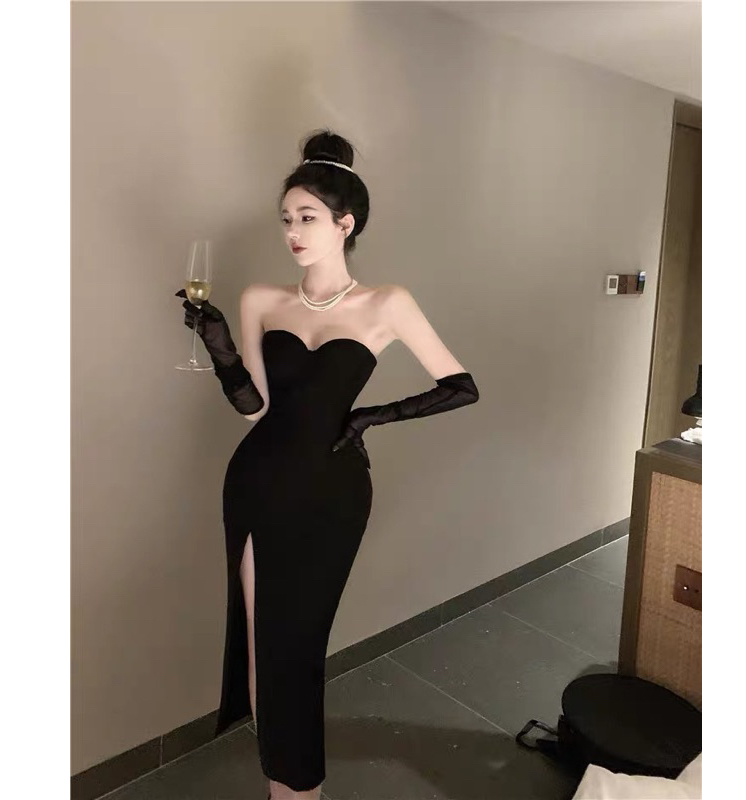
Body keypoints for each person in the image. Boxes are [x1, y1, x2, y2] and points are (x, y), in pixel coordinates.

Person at [176, 129, 479, 800]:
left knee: (299, 646)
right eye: (286, 218)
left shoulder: (386, 303)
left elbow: (460, 387)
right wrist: (220, 346)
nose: (292, 231)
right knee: (262, 642)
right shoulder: (261, 299)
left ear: (346, 224)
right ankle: (281, 785)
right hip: (257, 480)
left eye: (307, 217)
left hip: (331, 491)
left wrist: (368, 417)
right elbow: (253, 408)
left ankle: (299, 789)